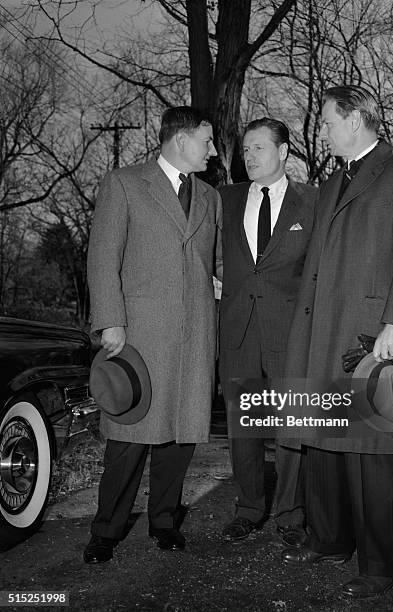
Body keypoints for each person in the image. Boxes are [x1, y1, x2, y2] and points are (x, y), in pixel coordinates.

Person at [280, 85, 393, 598]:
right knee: (324, 444)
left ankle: (380, 565)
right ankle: (329, 538)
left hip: (373, 333)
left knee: (372, 453)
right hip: (322, 331)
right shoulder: (330, 183)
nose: (322, 129)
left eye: (327, 120)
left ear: (354, 119)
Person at [84, 106, 222, 564]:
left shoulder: (210, 197)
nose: (213, 150)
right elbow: (103, 258)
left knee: (180, 436)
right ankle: (106, 528)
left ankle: (164, 521)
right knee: (129, 438)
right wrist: (109, 319)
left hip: (195, 336)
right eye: (207, 141)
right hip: (139, 336)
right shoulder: (124, 184)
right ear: (181, 141)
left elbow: (213, 263)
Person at [219, 117, 318, 546]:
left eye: (259, 148)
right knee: (244, 428)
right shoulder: (224, 199)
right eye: (246, 150)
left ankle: (290, 515)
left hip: (291, 334)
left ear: (284, 152)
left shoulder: (312, 203)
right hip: (238, 332)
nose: (250, 156)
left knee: (291, 428)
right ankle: (248, 509)